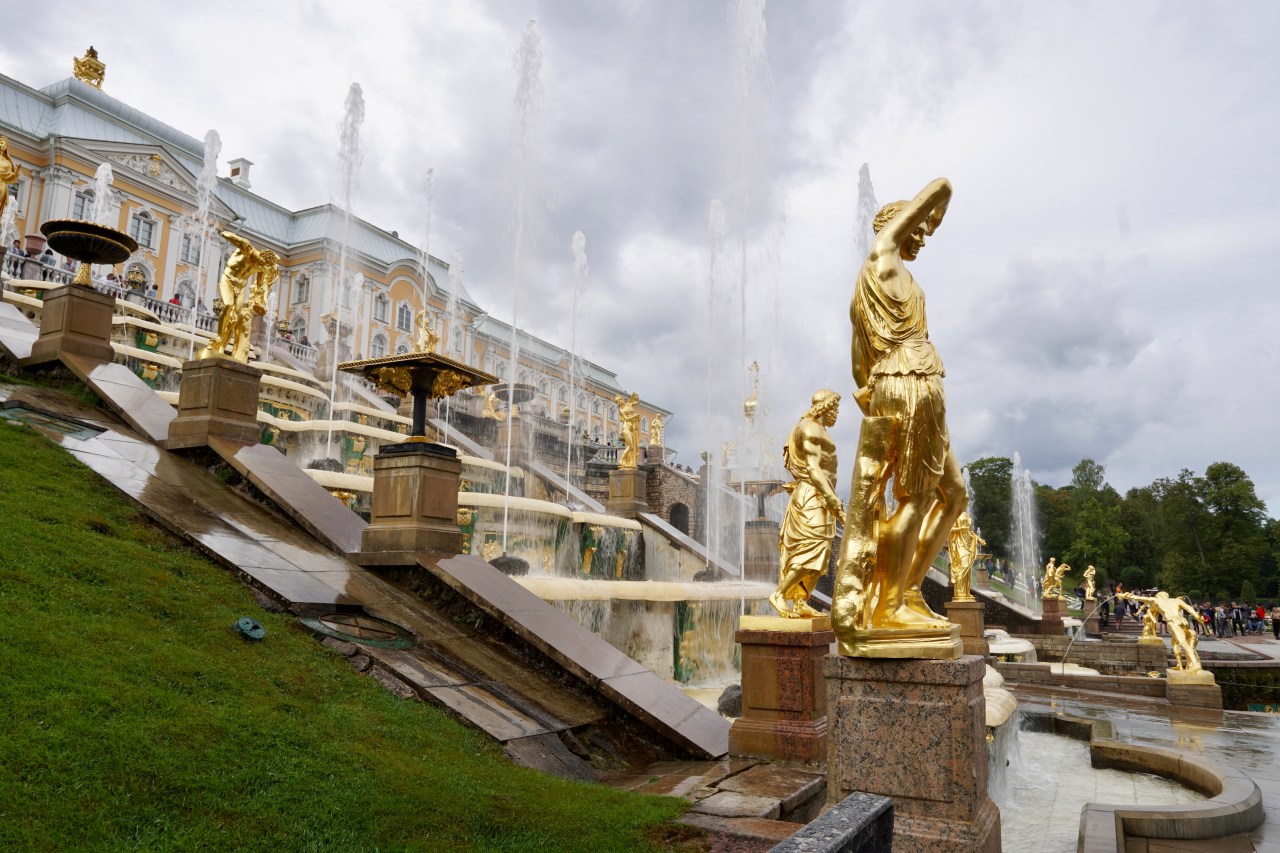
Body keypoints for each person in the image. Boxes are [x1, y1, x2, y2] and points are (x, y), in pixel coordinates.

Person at [835, 177, 965, 637]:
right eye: (919, 229)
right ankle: (888, 606)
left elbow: (857, 365)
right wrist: (930, 209)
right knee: (917, 496)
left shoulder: (904, 277)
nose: (924, 237)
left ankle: (907, 590)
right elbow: (942, 187)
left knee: (954, 493)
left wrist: (877, 399)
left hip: (911, 380)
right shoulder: (882, 259)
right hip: (908, 379)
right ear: (896, 226)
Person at [770, 389, 844, 619]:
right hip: (812, 495)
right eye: (835, 409)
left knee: (822, 551)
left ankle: (800, 600)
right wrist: (833, 500)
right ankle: (780, 595)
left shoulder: (817, 428)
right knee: (810, 549)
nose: (837, 414)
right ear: (825, 407)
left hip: (821, 495)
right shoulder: (810, 428)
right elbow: (813, 468)